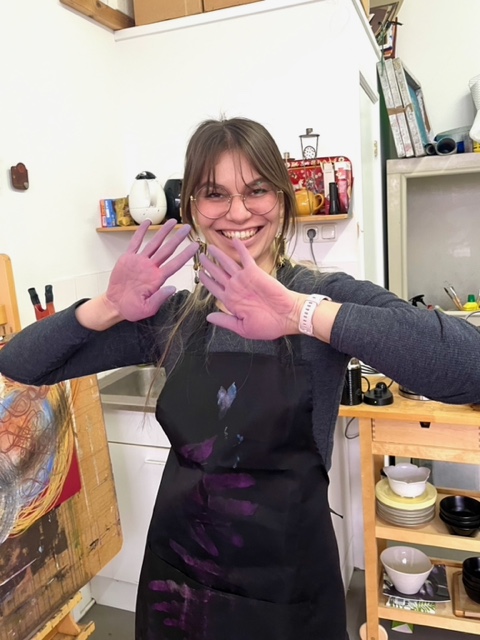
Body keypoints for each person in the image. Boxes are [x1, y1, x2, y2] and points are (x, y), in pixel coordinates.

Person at [1, 116, 480, 640]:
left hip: (289, 589)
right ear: (191, 209)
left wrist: (302, 313)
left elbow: (469, 367)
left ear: (283, 200)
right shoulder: (174, 318)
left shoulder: (322, 296)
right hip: (179, 586)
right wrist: (107, 306)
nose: (237, 212)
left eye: (256, 190)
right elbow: (21, 364)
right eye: (214, 193)